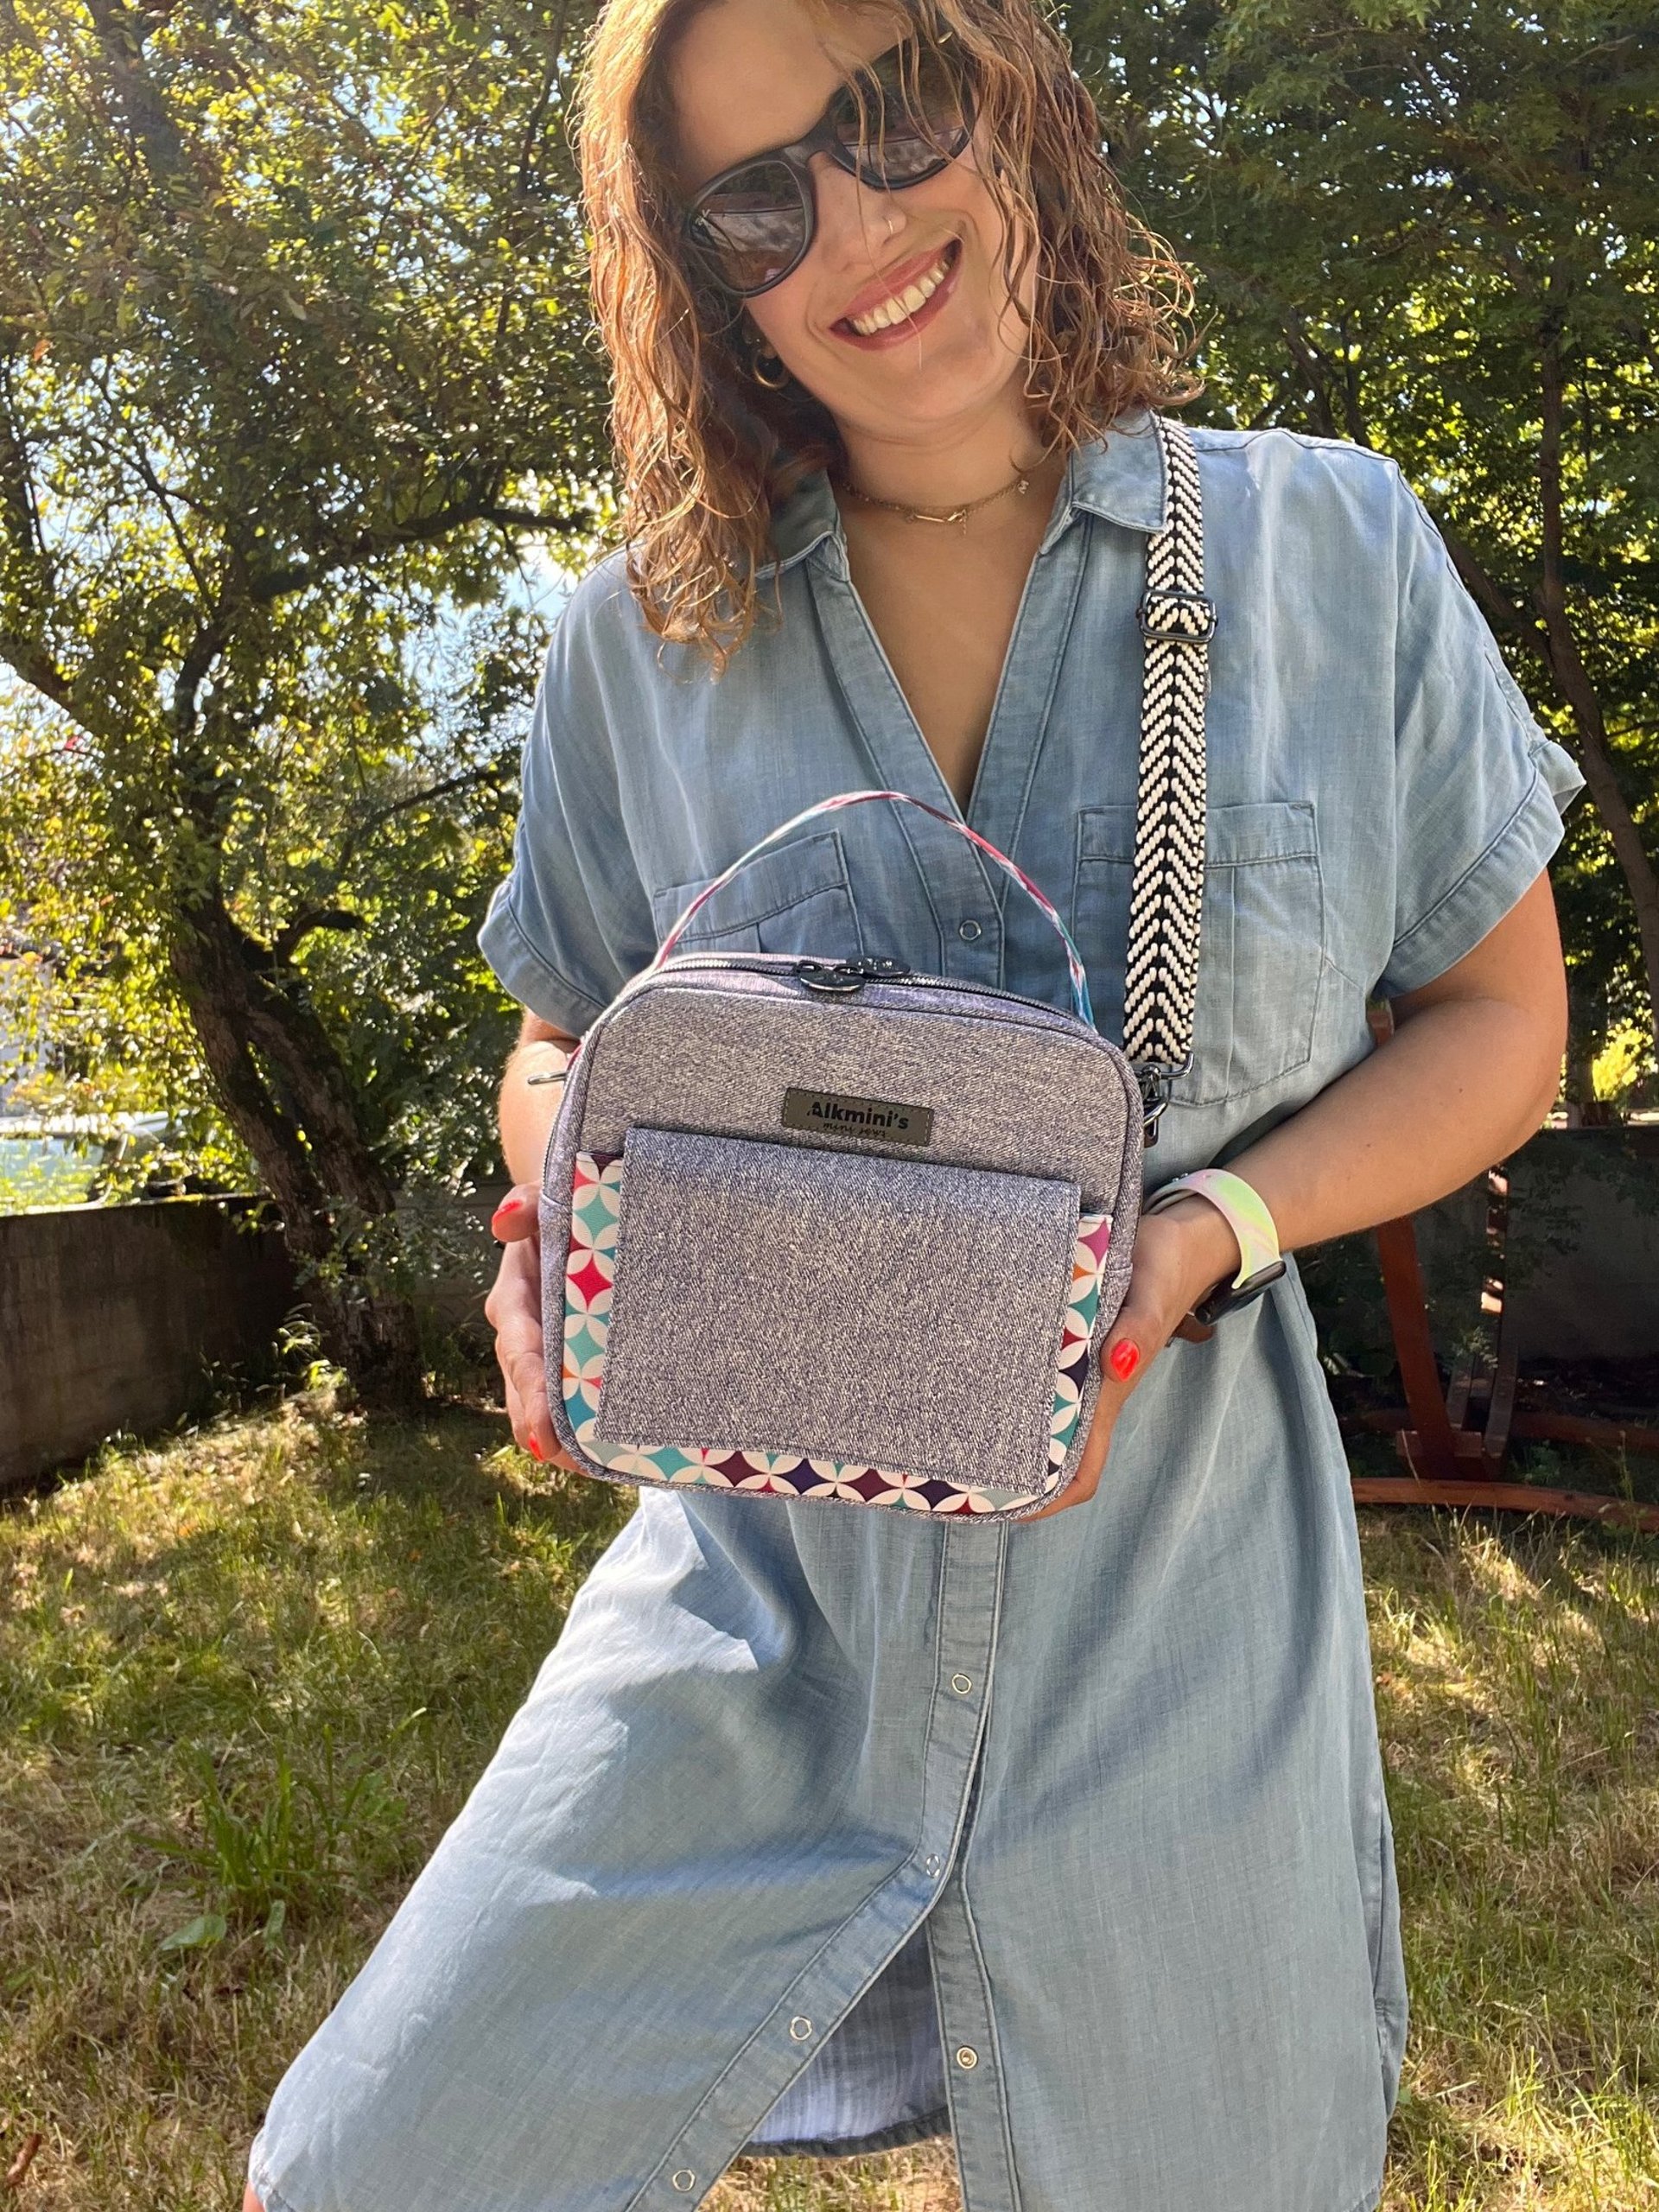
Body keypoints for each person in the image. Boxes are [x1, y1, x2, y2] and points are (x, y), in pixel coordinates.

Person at [245, 2, 1580, 2208]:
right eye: (759, 201)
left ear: (1007, 91)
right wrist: (547, 1224)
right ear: (702, 274)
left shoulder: (1331, 555)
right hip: (757, 1619)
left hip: (1184, 1633)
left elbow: (1500, 1019)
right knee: (379, 2167)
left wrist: (1208, 1232)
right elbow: (565, 1033)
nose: (855, 226)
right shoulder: (638, 643)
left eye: (889, 119)